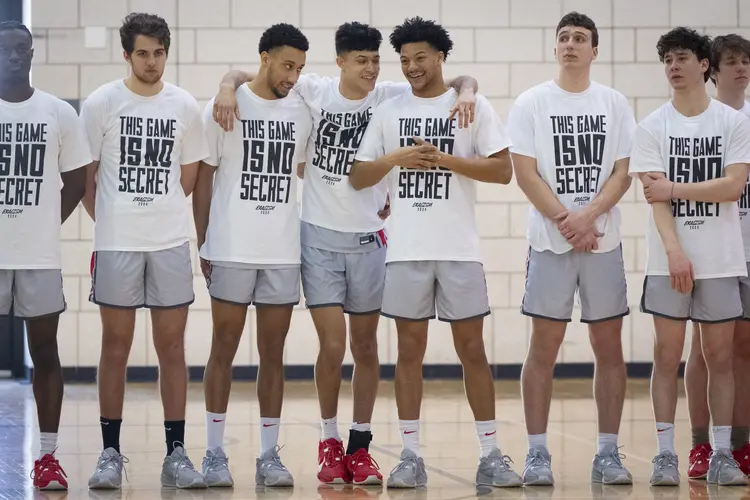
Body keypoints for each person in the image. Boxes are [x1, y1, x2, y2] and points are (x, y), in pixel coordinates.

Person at [210, 22, 478, 485]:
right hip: (317, 238)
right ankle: (327, 439)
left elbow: (453, 79)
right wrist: (225, 87)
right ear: (339, 63)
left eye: (375, 60)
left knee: (367, 347)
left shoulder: (388, 95)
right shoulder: (312, 90)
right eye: (361, 60)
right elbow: (245, 71)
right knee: (333, 345)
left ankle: (360, 444)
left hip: (370, 237)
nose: (371, 68)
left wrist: (470, 92)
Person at [350, 16, 520, 489]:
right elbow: (359, 175)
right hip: (406, 251)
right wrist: (395, 159)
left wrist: (445, 159)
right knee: (409, 352)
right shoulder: (388, 110)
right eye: (403, 60)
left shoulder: (471, 106)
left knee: (472, 351)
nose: (411, 67)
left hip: (460, 250)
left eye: (420, 57)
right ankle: (410, 456)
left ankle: (490, 454)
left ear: (440, 56)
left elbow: (503, 170)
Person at [80, 12, 209, 490]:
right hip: (117, 245)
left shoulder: (183, 107)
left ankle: (176, 453)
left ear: (166, 53)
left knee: (172, 348)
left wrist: (159, 217)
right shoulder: (102, 103)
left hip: (170, 244)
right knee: (114, 347)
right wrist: (115, 222)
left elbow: (189, 178)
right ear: (126, 54)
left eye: (158, 53)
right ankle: (110, 452)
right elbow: (87, 178)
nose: (151, 62)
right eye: (142, 53)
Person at [506, 12, 635, 486]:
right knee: (544, 348)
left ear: (594, 51)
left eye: (580, 38)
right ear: (554, 47)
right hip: (550, 244)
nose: (571, 44)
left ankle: (607, 453)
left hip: (603, 243)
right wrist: (567, 221)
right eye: (563, 37)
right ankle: (537, 453)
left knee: (609, 349)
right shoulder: (532, 102)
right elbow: (525, 172)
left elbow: (623, 172)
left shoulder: (615, 102)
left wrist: (587, 218)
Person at [629, 26, 750, 487]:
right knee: (666, 355)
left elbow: (732, 187)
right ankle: (665, 454)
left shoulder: (732, 123)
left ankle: (721, 453)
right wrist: (675, 252)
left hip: (721, 258)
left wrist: (676, 187)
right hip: (667, 261)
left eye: (682, 58)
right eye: (667, 61)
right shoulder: (652, 125)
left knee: (720, 357)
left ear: (704, 65)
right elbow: (654, 199)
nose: (673, 67)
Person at [194, 23, 313, 488]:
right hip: (231, 246)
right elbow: (204, 179)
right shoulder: (227, 106)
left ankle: (268, 455)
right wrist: (203, 240)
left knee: (274, 353)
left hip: (282, 251)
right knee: (222, 346)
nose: (293, 76)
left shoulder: (303, 109)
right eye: (287, 65)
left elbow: (311, 170)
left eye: (300, 68)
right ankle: (215, 453)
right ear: (264, 57)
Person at [0, 20, 90, 491]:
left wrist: (39, 223)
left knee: (45, 352)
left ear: (33, 54)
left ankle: (49, 457)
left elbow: (77, 180)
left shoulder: (57, 112)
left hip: (39, 254)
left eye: (23, 49)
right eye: (7, 49)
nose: (15, 56)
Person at [684, 33, 750, 480]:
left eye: (746, 60)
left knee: (742, 349)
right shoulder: (704, 118)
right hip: (711, 248)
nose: (741, 68)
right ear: (713, 68)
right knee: (703, 350)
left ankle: (741, 444)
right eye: (732, 61)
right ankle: (700, 443)